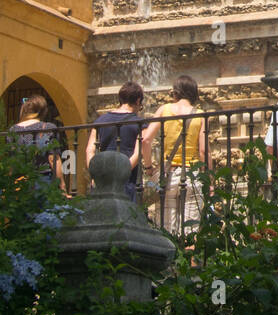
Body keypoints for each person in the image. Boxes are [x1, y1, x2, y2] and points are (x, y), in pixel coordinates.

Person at [142, 75, 207, 234]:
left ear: (175, 92)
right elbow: (204, 151)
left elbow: (145, 140)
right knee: (191, 232)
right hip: (192, 175)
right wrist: (208, 179)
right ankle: (190, 256)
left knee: (166, 232)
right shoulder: (200, 114)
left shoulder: (164, 109)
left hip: (168, 175)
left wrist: (149, 167)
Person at [85, 81, 146, 202]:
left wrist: (95, 174)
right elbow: (139, 153)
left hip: (102, 179)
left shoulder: (100, 121)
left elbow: (89, 150)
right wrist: (120, 173)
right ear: (138, 101)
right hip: (127, 181)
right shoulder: (139, 123)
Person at [11, 95, 62, 189]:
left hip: (19, 182)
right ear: (44, 111)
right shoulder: (48, 128)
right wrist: (62, 187)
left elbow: (11, 161)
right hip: (43, 180)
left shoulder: (13, 130)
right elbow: (53, 159)